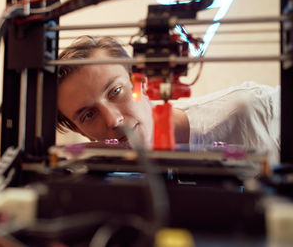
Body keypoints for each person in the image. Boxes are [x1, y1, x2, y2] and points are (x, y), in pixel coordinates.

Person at [57, 36, 280, 165]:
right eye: (88, 115)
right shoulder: (100, 177)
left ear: (142, 81)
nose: (113, 120)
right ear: (83, 133)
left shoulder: (253, 109)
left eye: (115, 91)